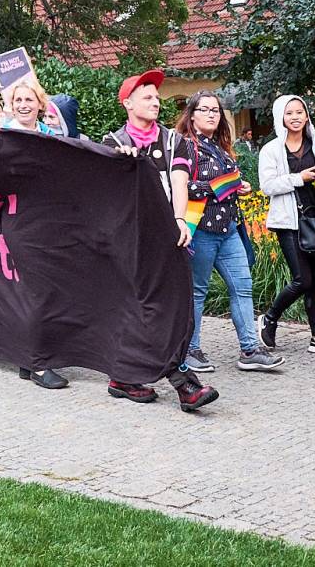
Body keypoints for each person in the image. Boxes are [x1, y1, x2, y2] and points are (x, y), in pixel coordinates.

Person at [100, 69, 220, 410]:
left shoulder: (173, 141)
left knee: (176, 308)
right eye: (147, 96)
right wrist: (118, 167)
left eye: (156, 97)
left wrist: (179, 219)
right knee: (146, 308)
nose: (155, 101)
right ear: (128, 104)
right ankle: (181, 384)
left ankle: (124, 376)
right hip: (131, 239)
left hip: (169, 234)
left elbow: (180, 182)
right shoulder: (114, 143)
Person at [173, 91, 280, 374]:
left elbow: (227, 184)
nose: (212, 114)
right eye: (205, 109)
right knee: (197, 292)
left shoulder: (221, 147)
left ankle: (250, 349)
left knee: (243, 287)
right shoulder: (184, 146)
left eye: (216, 110)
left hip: (230, 228)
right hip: (201, 229)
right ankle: (190, 349)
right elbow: (182, 187)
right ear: (192, 115)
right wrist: (221, 187)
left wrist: (238, 187)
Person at [256, 95, 315, 353]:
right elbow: (267, 186)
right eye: (289, 113)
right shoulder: (271, 150)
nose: (295, 117)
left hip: (313, 218)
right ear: (280, 118)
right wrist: (300, 177)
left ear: (307, 116)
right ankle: (269, 318)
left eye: (299, 112)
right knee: (302, 279)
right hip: (288, 222)